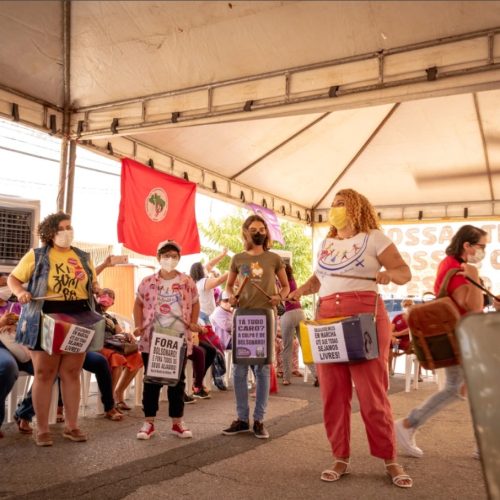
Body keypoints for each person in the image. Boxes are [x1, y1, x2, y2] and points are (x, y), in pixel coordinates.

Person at [289, 188, 413, 488]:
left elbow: (404, 272)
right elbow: (320, 279)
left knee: (373, 394)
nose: (335, 209)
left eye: (341, 204)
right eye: (333, 204)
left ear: (356, 208)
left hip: (365, 315)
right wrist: (300, 290)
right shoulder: (327, 243)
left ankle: (390, 458)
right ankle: (340, 456)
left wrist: (388, 275)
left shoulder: (374, 238)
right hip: (328, 316)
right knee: (333, 392)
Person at [8, 211, 100, 446]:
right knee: (44, 374)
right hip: (43, 317)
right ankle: (42, 429)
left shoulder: (83, 256)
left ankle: (72, 425)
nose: (68, 232)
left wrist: (99, 289)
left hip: (78, 317)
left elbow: (92, 282)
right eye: (63, 228)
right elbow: (13, 279)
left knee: (71, 373)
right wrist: (21, 293)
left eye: (70, 227)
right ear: (50, 233)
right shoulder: (36, 255)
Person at [395, 224, 487, 458]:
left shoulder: (454, 266)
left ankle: (409, 424)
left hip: (463, 338)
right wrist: (475, 277)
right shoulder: (456, 269)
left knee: (466, 389)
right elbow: (474, 307)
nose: (483, 251)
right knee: (463, 388)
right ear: (467, 245)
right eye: (481, 246)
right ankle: (408, 424)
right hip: (461, 339)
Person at [222, 214, 289, 439]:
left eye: (262, 229)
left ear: (266, 233)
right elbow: (229, 286)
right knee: (239, 369)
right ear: (246, 232)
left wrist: (279, 297)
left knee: (262, 369)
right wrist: (231, 298)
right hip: (242, 316)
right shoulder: (238, 258)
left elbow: (286, 287)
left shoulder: (274, 258)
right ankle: (242, 419)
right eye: (254, 229)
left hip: (265, 316)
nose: (258, 232)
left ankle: (259, 420)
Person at [133, 239, 200, 440]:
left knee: (177, 382)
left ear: (179, 258)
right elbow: (138, 304)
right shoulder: (147, 282)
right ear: (158, 258)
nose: (169, 259)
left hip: (178, 338)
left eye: (173, 256)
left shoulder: (187, 281)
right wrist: (138, 325)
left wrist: (194, 323)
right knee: (151, 381)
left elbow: (195, 304)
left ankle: (177, 422)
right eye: (165, 255)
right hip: (152, 338)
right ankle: (149, 422)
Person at [97, 287, 143, 410]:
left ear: (113, 302)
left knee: (137, 357)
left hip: (113, 345)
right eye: (104, 294)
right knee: (116, 358)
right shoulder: (93, 311)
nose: (107, 297)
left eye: (110, 295)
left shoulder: (111, 317)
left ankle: (119, 392)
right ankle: (109, 400)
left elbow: (119, 331)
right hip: (98, 346)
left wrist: (126, 334)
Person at [0, 274, 32, 438]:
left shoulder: (17, 306)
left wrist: (17, 323)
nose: (5, 289)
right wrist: (1, 324)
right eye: (2, 285)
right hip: (2, 347)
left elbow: (30, 323)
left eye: (7, 285)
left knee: (51, 368)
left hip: (20, 344)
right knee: (7, 367)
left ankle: (24, 413)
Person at [280, 262, 316, 385]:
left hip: (288, 314)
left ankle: (286, 378)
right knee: (305, 345)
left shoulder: (279, 282)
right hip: (300, 312)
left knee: (287, 348)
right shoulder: (292, 280)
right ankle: (317, 375)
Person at [189, 248, 228, 324]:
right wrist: (233, 270)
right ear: (201, 271)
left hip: (203, 314)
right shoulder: (203, 282)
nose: (206, 267)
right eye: (203, 267)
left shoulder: (197, 282)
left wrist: (222, 255)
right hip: (206, 316)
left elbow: (210, 264)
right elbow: (219, 281)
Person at [388, 298, 421, 381]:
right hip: (397, 342)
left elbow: (410, 330)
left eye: (410, 304)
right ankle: (389, 370)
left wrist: (397, 334)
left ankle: (418, 375)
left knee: (417, 348)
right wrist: (393, 337)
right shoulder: (397, 317)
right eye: (406, 305)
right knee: (388, 344)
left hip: (411, 341)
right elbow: (389, 330)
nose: (408, 306)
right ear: (402, 306)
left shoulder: (416, 316)